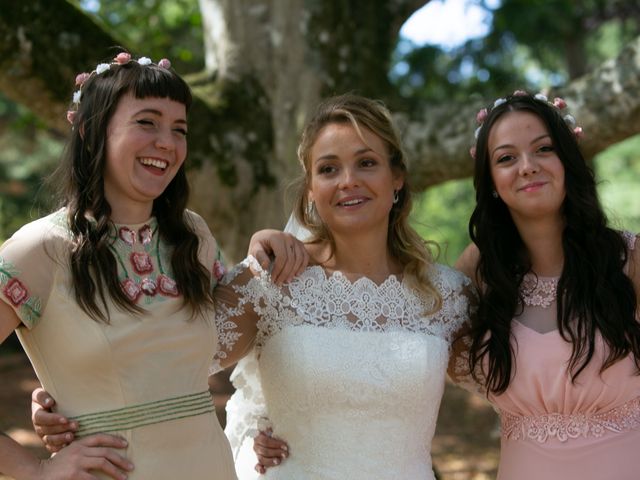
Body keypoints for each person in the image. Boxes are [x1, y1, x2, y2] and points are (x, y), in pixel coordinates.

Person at [0, 52, 304, 480]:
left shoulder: (192, 236)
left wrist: (258, 261)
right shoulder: (40, 249)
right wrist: (34, 469)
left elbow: (215, 346)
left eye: (179, 129)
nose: (168, 142)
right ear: (90, 131)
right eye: (147, 122)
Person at [207, 93, 473, 479]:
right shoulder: (269, 282)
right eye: (329, 169)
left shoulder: (446, 295)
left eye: (366, 163)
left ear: (396, 177)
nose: (348, 182)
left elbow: (528, 387)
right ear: (311, 188)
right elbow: (168, 364)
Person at [452, 91, 640, 479]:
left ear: (567, 162)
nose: (527, 167)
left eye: (543, 149)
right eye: (506, 158)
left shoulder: (629, 259)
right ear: (491, 182)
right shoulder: (479, 270)